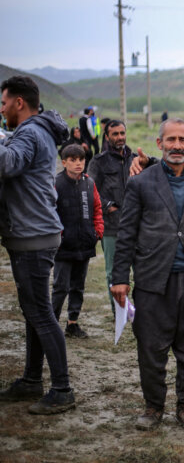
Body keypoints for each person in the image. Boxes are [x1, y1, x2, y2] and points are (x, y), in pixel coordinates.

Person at [111, 118, 184, 431]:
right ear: (159, 144)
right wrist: (119, 276)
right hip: (153, 281)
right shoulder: (140, 183)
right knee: (151, 349)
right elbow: (126, 233)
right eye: (171, 140)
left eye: (182, 140)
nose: (177, 146)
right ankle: (153, 408)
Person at [0, 76, 76, 414]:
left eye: (3, 103)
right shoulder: (35, 132)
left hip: (32, 235)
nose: (1, 110)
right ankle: (32, 380)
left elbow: (6, 164)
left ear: (19, 103)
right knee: (35, 312)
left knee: (42, 314)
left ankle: (62, 389)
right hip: (32, 232)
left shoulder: (29, 132)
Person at [52, 144, 104, 339]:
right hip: (63, 247)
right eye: (73, 160)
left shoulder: (89, 183)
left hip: (85, 245)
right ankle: (52, 324)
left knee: (78, 287)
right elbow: (50, 213)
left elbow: (97, 209)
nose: (78, 164)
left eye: (81, 160)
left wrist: (97, 232)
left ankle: (72, 323)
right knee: (60, 287)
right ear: (64, 162)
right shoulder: (56, 184)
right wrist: (58, 236)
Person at [88, 120, 137, 316]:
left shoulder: (135, 159)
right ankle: (119, 313)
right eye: (115, 134)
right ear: (107, 137)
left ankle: (139, 311)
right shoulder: (98, 162)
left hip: (137, 225)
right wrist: (109, 206)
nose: (119, 137)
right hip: (112, 226)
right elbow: (91, 190)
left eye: (122, 133)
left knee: (141, 271)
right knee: (113, 272)